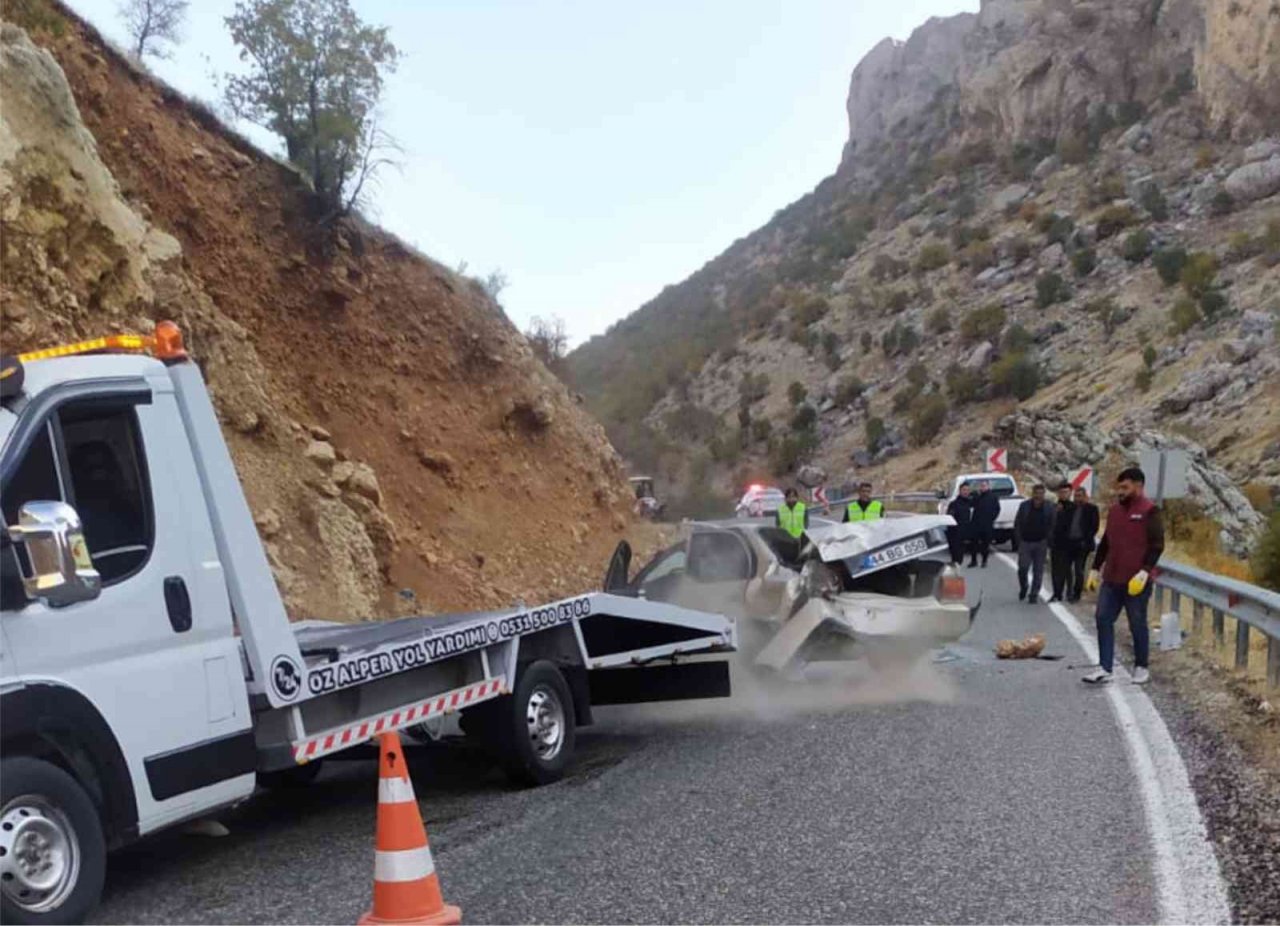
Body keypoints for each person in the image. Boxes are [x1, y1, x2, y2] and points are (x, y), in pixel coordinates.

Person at [1082, 467, 1164, 685]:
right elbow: (1106, 542)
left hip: (1136, 580)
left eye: (1125, 487)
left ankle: (1141, 666)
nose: (1121, 491)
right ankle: (1104, 666)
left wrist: (1145, 571)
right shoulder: (1115, 511)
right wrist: (1095, 568)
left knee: (1137, 622)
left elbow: (1157, 545)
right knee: (1102, 618)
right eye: (1119, 487)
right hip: (1112, 578)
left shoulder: (1150, 511)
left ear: (1139, 486)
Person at [1014, 484, 1055, 603]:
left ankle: (1034, 594)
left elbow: (1052, 524)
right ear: (1033, 494)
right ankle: (1024, 586)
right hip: (1025, 542)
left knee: (1038, 570)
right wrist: (1019, 541)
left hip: (1041, 542)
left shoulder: (1049, 507)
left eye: (1041, 493)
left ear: (1044, 494)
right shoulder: (1024, 506)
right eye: (1036, 493)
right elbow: (1017, 524)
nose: (1038, 496)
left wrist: (1048, 540)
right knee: (1023, 568)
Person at [1066, 485, 1100, 602]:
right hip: (1070, 543)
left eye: (1080, 496)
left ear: (1085, 497)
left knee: (1078, 569)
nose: (1077, 498)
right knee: (1067, 569)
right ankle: (1069, 591)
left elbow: (1094, 527)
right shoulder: (1070, 508)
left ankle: (1076, 593)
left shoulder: (1092, 509)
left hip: (1082, 545)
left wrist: (1085, 540)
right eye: (1075, 496)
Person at [1048, 482, 1076, 602]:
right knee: (1055, 569)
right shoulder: (1054, 507)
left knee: (1067, 569)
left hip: (1069, 543)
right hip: (1055, 543)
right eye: (1061, 492)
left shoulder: (1074, 508)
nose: (1063, 495)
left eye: (1066, 492)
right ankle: (1056, 593)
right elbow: (1049, 523)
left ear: (1070, 493)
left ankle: (1069, 592)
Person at [970, 480, 1000, 568]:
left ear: (988, 486)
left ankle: (984, 561)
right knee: (974, 543)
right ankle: (973, 561)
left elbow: (997, 509)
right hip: (976, 523)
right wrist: (974, 497)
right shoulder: (977, 496)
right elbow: (971, 505)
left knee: (985, 544)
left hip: (987, 524)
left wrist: (991, 518)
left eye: (984, 486)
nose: (982, 487)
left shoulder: (993, 496)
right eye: (981, 486)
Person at [775, 487, 809, 562]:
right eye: (789, 497)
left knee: (800, 560)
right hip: (785, 540)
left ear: (797, 497)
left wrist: (804, 534)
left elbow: (806, 523)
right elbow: (777, 526)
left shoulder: (803, 508)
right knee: (787, 561)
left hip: (799, 539)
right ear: (786, 498)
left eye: (793, 496)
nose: (791, 499)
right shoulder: (780, 510)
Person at [946, 482, 975, 566]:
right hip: (954, 535)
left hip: (964, 535)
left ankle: (956, 576)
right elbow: (949, 520)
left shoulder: (969, 503)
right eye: (964, 490)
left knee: (960, 559)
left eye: (968, 490)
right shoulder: (954, 504)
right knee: (956, 559)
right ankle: (954, 577)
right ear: (960, 491)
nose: (966, 492)